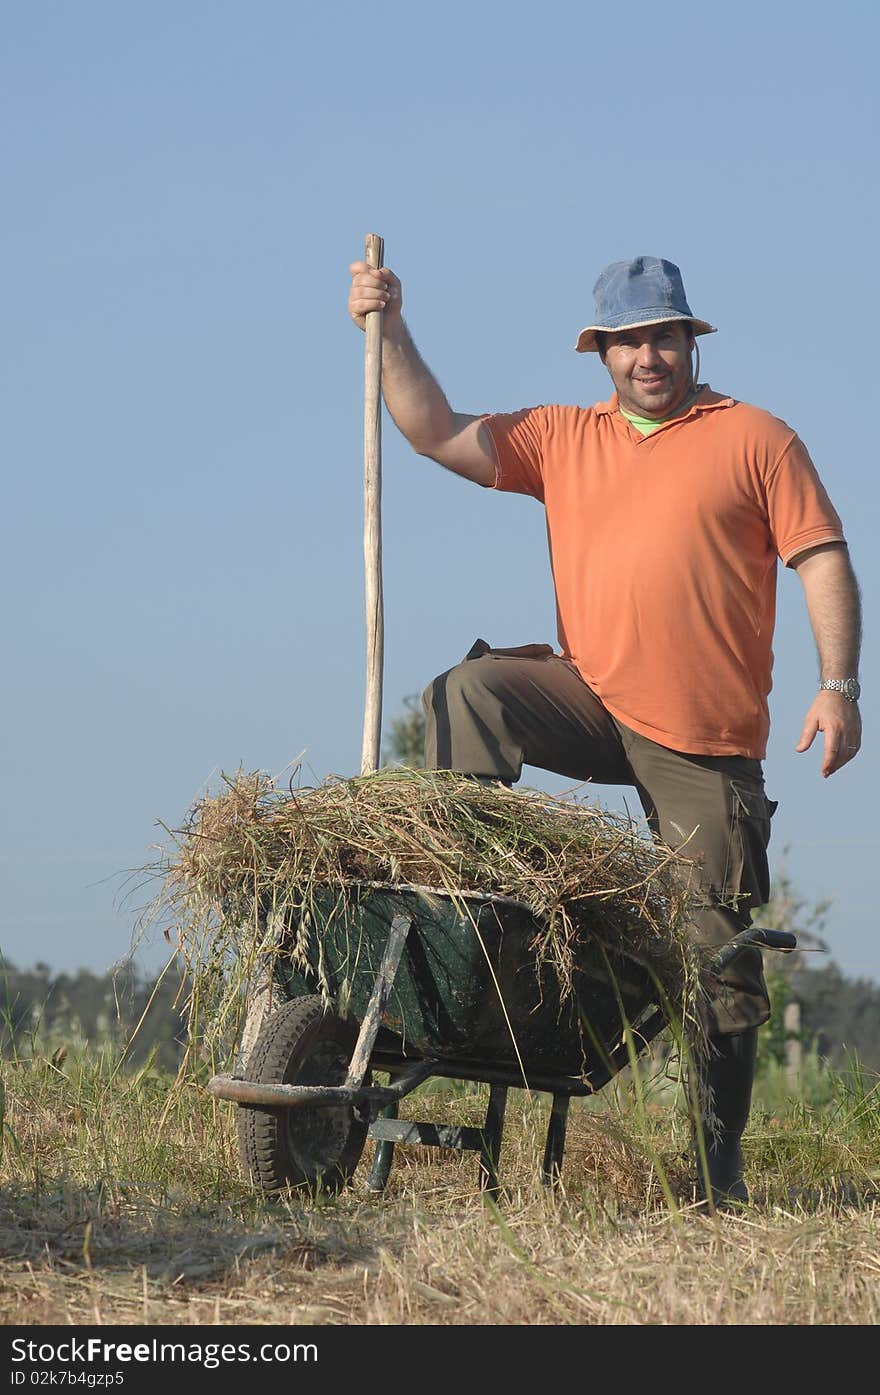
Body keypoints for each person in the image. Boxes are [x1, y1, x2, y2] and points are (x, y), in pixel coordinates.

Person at [347, 252, 862, 1205]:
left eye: (663, 336)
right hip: (591, 696)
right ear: (602, 352)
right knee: (472, 689)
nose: (647, 357)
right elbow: (434, 430)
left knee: (719, 954)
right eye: (627, 342)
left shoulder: (756, 438)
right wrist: (391, 329)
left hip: (704, 738)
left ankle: (717, 1176)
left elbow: (822, 559)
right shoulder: (561, 438)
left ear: (689, 341)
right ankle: (469, 914)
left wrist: (839, 684)